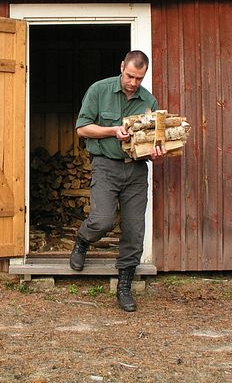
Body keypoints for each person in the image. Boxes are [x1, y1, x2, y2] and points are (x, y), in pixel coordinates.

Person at [71, 50, 164, 312]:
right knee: (102, 220)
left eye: (139, 78)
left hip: (135, 171)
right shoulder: (99, 90)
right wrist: (113, 131)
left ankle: (124, 284)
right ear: (122, 67)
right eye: (130, 76)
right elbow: (82, 128)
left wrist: (157, 152)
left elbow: (155, 141)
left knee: (134, 230)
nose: (134, 83)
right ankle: (82, 240)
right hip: (105, 166)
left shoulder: (149, 101)